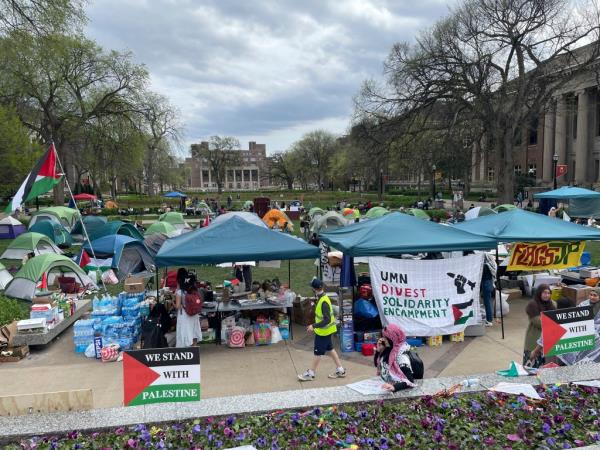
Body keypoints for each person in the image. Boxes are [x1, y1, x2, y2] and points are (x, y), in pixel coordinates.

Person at [298, 278, 346, 381]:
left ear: (314, 289)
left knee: (318, 353)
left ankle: (311, 374)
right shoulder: (323, 298)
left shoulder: (323, 301)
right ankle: (340, 370)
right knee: (331, 350)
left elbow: (327, 319)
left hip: (323, 332)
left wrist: (313, 326)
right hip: (326, 331)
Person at [374, 324, 416, 392]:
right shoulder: (388, 349)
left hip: (391, 387)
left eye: (385, 338)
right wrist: (378, 351)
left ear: (393, 339)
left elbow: (410, 381)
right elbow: (378, 365)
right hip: (384, 384)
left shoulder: (401, 357)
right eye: (382, 337)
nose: (382, 340)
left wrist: (394, 387)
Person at [523, 284, 556, 365]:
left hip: (548, 341)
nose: (547, 295)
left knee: (544, 368)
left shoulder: (552, 304)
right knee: (531, 367)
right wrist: (553, 323)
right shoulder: (532, 305)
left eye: (548, 293)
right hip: (534, 339)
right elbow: (539, 323)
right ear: (539, 293)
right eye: (544, 293)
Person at [175, 268, 202, 347]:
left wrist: (173, 303)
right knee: (194, 331)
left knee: (185, 332)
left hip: (184, 315)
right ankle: (195, 349)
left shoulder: (180, 292)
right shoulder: (193, 290)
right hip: (193, 313)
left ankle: (187, 352)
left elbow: (177, 306)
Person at [481, 253, 497, 326]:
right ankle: (490, 318)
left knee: (487, 303)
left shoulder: (485, 266)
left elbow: (481, 275)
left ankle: (489, 320)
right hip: (490, 283)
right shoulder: (492, 264)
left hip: (486, 284)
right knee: (489, 302)